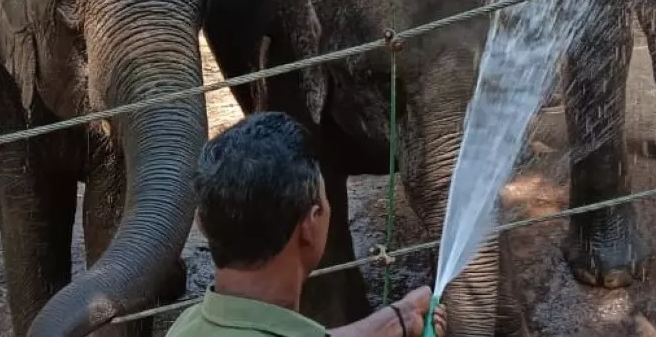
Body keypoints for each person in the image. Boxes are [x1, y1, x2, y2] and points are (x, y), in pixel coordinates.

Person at [167, 111, 448, 337]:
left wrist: (396, 318)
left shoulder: (187, 324)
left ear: (201, 222)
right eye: (324, 203)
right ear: (310, 224)